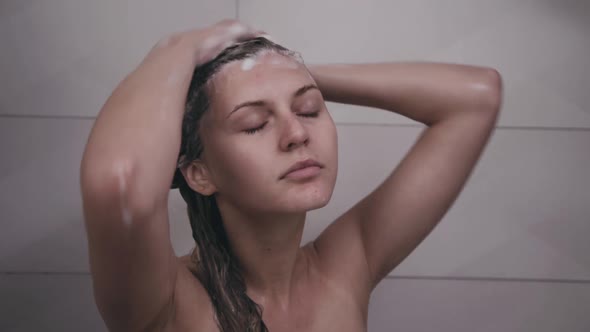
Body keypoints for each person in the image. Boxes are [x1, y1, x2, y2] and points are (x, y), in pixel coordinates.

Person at [80, 19, 502, 332]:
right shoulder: (168, 304)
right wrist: (179, 49)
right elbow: (118, 184)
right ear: (199, 174)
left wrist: (277, 69)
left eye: (308, 109)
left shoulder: (345, 267)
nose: (297, 134)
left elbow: (476, 97)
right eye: (254, 123)